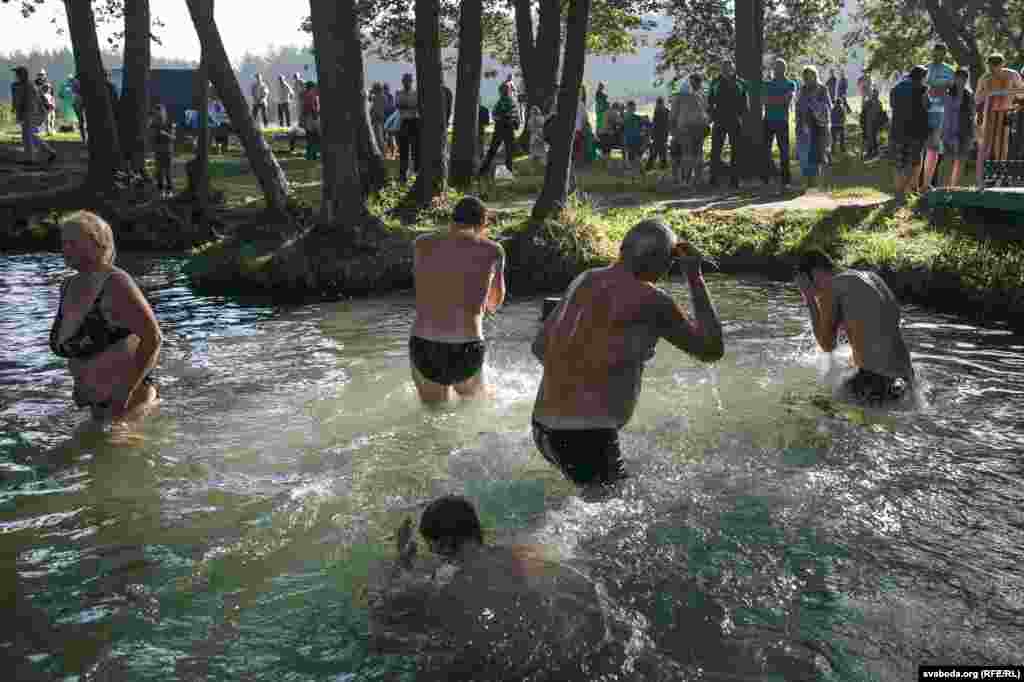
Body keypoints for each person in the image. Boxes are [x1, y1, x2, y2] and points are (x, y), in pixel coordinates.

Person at [531, 219, 724, 488]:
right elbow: (711, 349)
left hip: (542, 427)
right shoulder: (653, 301)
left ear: (622, 249)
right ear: (663, 262)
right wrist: (695, 277)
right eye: (670, 264)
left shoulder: (583, 279)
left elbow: (539, 347)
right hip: (587, 436)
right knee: (619, 522)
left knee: (591, 496)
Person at [50, 211, 162, 421]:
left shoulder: (116, 282)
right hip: (96, 408)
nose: (65, 249)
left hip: (129, 406)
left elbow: (153, 338)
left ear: (98, 243)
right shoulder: (67, 286)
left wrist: (123, 394)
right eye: (64, 243)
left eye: (73, 242)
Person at [410, 197, 505, 404]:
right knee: (476, 406)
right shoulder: (493, 250)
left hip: (425, 345)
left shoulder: (421, 244)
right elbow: (493, 304)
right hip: (467, 347)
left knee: (433, 413)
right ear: (482, 224)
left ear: (452, 219)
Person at [794, 250, 914, 404]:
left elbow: (827, 345)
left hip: (875, 383)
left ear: (814, 274)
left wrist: (809, 298)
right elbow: (877, 332)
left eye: (804, 283)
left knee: (806, 405)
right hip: (907, 382)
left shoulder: (831, 287)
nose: (817, 295)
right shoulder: (873, 278)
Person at [975, 53, 1024, 188]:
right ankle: (986, 177)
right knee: (987, 146)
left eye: (997, 67)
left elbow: (1022, 92)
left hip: (1006, 113)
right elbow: (977, 98)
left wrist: (1008, 92)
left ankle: (1000, 177)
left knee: (1003, 145)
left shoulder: (1012, 75)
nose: (994, 70)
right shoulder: (985, 78)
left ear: (1002, 64)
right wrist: (986, 94)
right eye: (991, 67)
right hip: (989, 115)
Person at [889, 65, 929, 201]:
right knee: (915, 162)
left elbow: (892, 105)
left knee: (899, 162)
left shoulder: (896, 88)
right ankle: (911, 190)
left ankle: (898, 191)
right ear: (922, 77)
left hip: (897, 131)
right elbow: (926, 107)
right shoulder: (922, 89)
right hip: (915, 132)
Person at [760, 58, 799, 191]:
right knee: (765, 151)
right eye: (776, 67)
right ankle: (765, 179)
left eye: (781, 67)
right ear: (773, 69)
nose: (778, 70)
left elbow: (787, 100)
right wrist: (779, 99)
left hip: (782, 121)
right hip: (768, 120)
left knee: (784, 151)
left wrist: (773, 99)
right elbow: (764, 100)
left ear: (785, 69)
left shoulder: (791, 83)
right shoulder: (767, 84)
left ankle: (785, 180)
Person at [707, 61, 748, 189]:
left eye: (728, 67)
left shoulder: (741, 82)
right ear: (721, 69)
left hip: (735, 120)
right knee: (715, 150)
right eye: (724, 68)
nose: (726, 70)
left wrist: (741, 116)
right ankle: (713, 179)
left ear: (733, 69)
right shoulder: (715, 82)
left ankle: (734, 180)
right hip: (719, 120)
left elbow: (744, 102)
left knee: (736, 150)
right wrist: (712, 116)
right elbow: (709, 101)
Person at [922, 43, 956, 190]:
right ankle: (920, 181)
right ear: (932, 53)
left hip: (942, 112)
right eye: (935, 53)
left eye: (940, 53)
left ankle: (932, 180)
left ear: (945, 54)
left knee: (937, 148)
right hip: (924, 113)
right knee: (923, 147)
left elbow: (954, 90)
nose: (937, 56)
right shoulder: (924, 69)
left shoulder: (949, 70)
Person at [794, 66, 832, 190]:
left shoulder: (822, 89)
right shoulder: (803, 90)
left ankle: (821, 184)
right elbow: (798, 107)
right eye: (805, 77)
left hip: (819, 126)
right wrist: (800, 123)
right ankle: (809, 183)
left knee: (820, 155)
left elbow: (828, 107)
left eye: (810, 76)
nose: (807, 79)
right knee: (806, 155)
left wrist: (816, 106)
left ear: (815, 76)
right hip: (805, 126)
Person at [10, 66, 57, 165]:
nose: (16, 76)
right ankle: (50, 152)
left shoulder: (29, 86)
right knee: (30, 136)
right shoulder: (21, 85)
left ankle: (30, 159)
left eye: (17, 74)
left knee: (27, 136)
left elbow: (30, 101)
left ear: (22, 75)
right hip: (29, 113)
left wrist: (21, 112)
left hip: (31, 113)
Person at [671, 72, 709, 187]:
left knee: (688, 154)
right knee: (696, 153)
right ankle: (696, 179)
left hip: (687, 127)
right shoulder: (702, 94)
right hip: (696, 127)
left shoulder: (681, 94)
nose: (696, 84)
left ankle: (688, 180)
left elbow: (673, 112)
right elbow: (707, 111)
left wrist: (672, 128)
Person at [941, 68, 975, 187]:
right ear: (954, 78)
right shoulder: (948, 93)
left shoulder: (969, 94)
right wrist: (946, 133)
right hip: (950, 131)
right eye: (959, 78)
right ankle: (943, 187)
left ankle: (953, 187)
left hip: (965, 131)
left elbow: (972, 113)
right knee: (948, 161)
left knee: (961, 160)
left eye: (964, 79)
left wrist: (973, 133)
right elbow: (949, 112)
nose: (962, 81)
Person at [480, 82, 519, 177]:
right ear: (508, 91)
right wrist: (512, 121)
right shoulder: (511, 102)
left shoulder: (500, 102)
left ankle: (483, 170)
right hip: (508, 128)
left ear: (501, 92)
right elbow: (514, 115)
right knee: (509, 151)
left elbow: (494, 115)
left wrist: (500, 118)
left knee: (492, 150)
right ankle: (509, 170)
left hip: (499, 127)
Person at [396, 73, 420, 183]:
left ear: (411, 82)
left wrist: (407, 106)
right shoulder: (399, 93)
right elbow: (399, 106)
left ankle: (416, 171)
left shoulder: (415, 93)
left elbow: (414, 106)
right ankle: (403, 174)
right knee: (403, 150)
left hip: (414, 122)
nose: (406, 83)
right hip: (404, 122)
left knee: (415, 149)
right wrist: (410, 106)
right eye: (405, 81)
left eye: (408, 81)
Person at [149, 103, 174, 198]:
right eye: (156, 113)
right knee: (159, 171)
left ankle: (169, 190)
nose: (158, 115)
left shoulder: (169, 123)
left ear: (164, 112)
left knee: (168, 171)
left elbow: (173, 137)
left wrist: (165, 133)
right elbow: (151, 136)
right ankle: (160, 190)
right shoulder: (154, 124)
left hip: (167, 150)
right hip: (158, 150)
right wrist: (150, 126)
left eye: (160, 112)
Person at [860, 87, 886, 160]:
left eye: (876, 94)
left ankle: (873, 151)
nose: (875, 95)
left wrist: (881, 123)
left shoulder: (878, 103)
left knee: (873, 137)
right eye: (874, 93)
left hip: (874, 123)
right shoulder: (869, 103)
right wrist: (862, 122)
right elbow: (863, 113)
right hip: (869, 123)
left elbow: (881, 114)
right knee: (870, 137)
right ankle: (870, 151)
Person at [622, 100, 646, 170]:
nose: (634, 108)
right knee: (635, 158)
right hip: (633, 140)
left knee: (634, 158)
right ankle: (639, 171)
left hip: (632, 140)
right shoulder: (635, 117)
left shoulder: (625, 116)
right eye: (634, 107)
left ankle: (638, 171)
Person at [647, 96, 670, 170]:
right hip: (663, 134)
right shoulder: (666, 111)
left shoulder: (657, 111)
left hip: (658, 134)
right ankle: (662, 165)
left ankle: (650, 166)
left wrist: (651, 134)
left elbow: (654, 123)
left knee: (656, 151)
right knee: (661, 151)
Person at [300, 80, 321, 161]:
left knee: (310, 138)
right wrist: (316, 114)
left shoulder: (306, 94)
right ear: (311, 87)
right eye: (314, 87)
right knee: (313, 137)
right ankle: (312, 155)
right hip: (311, 118)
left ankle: (311, 155)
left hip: (308, 118)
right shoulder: (311, 95)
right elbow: (312, 107)